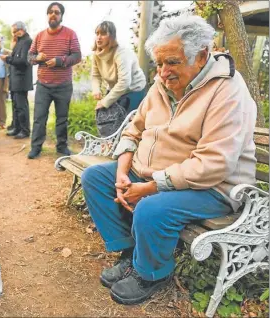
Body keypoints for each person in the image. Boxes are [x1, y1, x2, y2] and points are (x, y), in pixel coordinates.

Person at [81, 15, 257, 305]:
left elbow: (214, 163)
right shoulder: (160, 85)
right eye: (159, 64)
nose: (164, 72)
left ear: (201, 55)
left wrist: (151, 187)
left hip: (213, 187)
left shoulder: (228, 91)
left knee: (152, 208)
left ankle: (152, 273)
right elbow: (133, 129)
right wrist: (123, 172)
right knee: (96, 178)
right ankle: (132, 252)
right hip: (157, 175)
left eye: (172, 62)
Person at [27, 2, 81, 159]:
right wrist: (37, 58)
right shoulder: (39, 36)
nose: (53, 14)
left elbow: (77, 56)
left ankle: (62, 147)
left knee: (62, 118)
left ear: (61, 16)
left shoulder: (70, 34)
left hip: (63, 85)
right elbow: (29, 57)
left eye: (57, 12)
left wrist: (60, 61)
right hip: (43, 85)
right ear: (47, 15)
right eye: (50, 12)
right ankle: (36, 147)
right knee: (39, 118)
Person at [91, 21, 146, 137]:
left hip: (133, 90)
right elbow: (95, 75)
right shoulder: (97, 54)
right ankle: (110, 146)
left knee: (129, 126)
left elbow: (125, 82)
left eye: (103, 33)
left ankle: (128, 151)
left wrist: (105, 102)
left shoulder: (122, 53)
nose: (99, 37)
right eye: (97, 33)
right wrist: (96, 90)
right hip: (115, 88)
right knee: (109, 122)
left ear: (111, 36)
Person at [1, 21, 33, 139]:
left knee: (21, 106)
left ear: (21, 30)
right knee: (15, 105)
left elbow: (24, 61)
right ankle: (17, 128)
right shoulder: (19, 42)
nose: (13, 34)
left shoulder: (27, 42)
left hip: (21, 80)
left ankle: (25, 130)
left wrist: (8, 59)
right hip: (15, 80)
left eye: (14, 32)